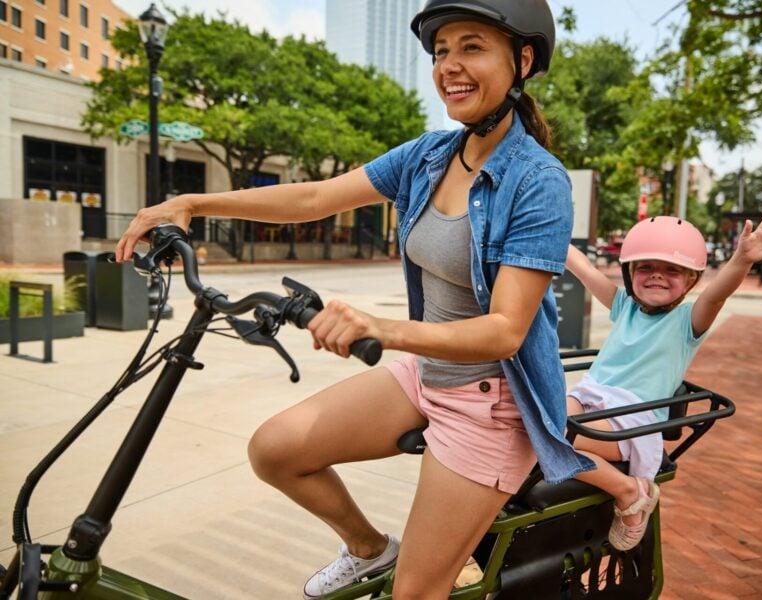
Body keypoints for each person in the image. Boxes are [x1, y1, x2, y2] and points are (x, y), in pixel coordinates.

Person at [115, 1, 593, 598]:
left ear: (521, 60)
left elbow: (504, 332)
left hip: (490, 405)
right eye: (442, 51)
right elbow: (313, 197)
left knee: (416, 593)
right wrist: (191, 203)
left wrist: (381, 327)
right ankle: (370, 549)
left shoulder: (537, 180)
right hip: (428, 375)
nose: (450, 65)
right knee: (276, 450)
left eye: (472, 47)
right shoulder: (428, 156)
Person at [564, 211, 762, 552]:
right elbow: (584, 269)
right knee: (524, 418)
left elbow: (717, 295)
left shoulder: (688, 322)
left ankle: (630, 492)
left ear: (690, 281)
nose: (657, 274)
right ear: (630, 274)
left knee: (551, 440)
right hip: (591, 399)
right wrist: (551, 232)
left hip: (632, 419)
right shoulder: (624, 307)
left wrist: (741, 260)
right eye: (645, 267)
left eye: (671, 269)